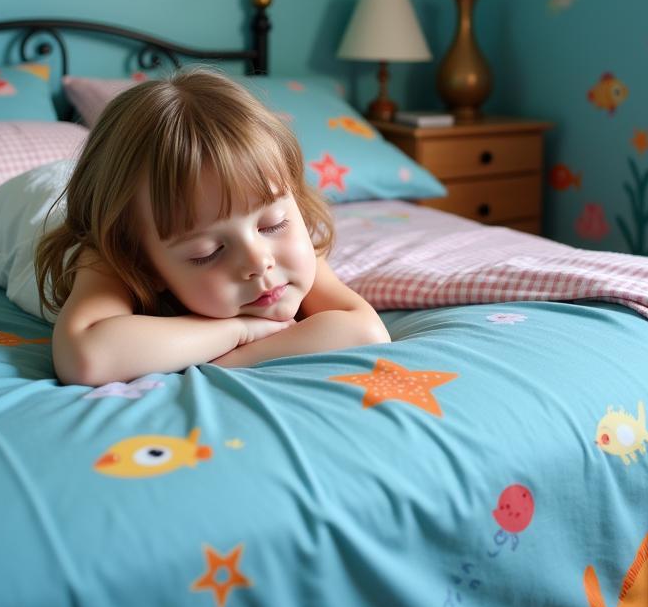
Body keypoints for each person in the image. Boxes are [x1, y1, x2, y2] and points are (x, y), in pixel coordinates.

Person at [36, 67, 390, 386]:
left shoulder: (288, 239)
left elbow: (365, 331)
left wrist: (236, 359)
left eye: (271, 225)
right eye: (208, 252)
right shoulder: (111, 252)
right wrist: (240, 330)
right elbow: (86, 357)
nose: (259, 261)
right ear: (144, 264)